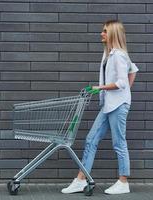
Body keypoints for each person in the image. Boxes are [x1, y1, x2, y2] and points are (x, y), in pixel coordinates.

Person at [61, 20, 138, 195]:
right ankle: (81, 179)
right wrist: (124, 91)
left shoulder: (118, 55)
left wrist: (102, 88)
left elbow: (121, 82)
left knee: (119, 143)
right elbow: (133, 70)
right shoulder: (108, 54)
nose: (101, 34)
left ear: (112, 34)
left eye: (104, 31)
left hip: (117, 106)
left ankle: (123, 182)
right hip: (108, 105)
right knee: (91, 139)